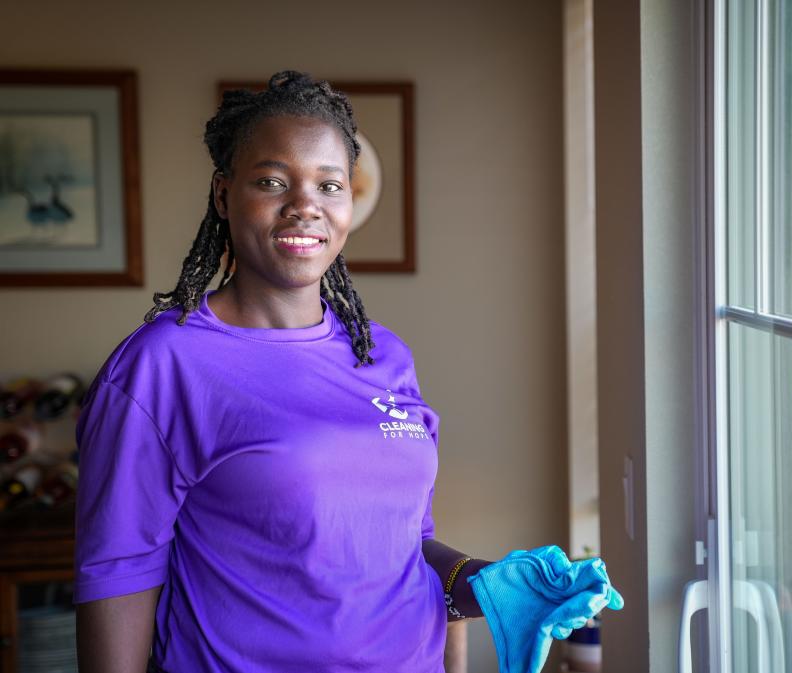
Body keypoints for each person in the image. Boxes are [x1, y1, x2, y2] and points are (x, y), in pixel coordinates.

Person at [74, 71, 619, 673]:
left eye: (330, 184)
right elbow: (116, 573)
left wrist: (489, 586)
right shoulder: (162, 365)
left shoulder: (383, 356)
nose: (305, 204)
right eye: (272, 181)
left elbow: (402, 547)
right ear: (224, 195)